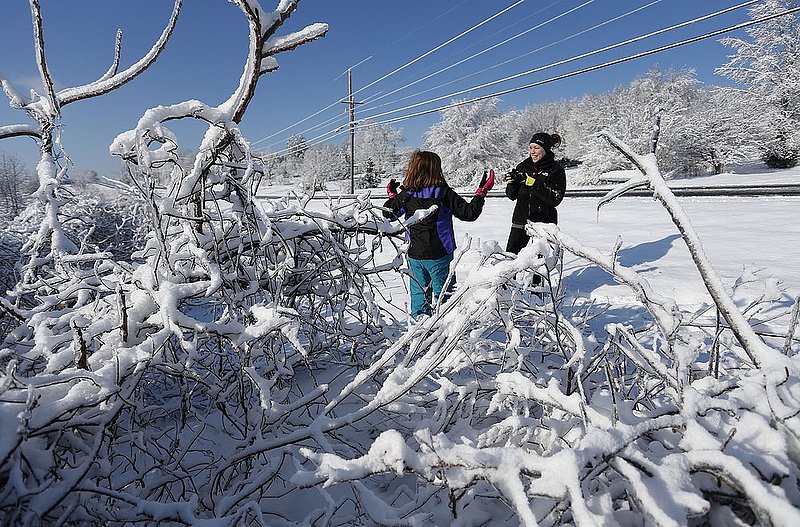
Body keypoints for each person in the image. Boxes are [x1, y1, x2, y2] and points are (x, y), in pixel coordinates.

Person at [384, 150, 494, 320]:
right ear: (436, 169)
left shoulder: (406, 194)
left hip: (414, 253)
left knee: (419, 299)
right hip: (440, 253)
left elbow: (389, 213)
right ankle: (446, 332)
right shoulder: (443, 193)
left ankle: (418, 335)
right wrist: (481, 193)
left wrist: (393, 195)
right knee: (445, 298)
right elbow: (469, 214)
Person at [503, 132, 566, 255]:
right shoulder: (523, 166)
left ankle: (539, 275)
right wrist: (512, 182)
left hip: (544, 223)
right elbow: (511, 195)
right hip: (521, 220)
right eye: (531, 147)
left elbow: (555, 198)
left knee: (540, 264)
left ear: (545, 149)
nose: (533, 151)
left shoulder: (556, 170)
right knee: (511, 258)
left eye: (536, 148)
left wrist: (532, 183)